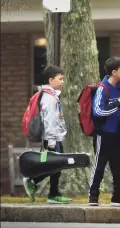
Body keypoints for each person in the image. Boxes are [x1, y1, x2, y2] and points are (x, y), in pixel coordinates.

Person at [88, 57, 120, 207]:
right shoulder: (103, 88)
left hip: (117, 133)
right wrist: (117, 103)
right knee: (99, 165)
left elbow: (117, 108)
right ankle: (93, 196)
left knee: (118, 165)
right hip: (104, 134)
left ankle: (118, 196)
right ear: (114, 72)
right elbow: (97, 111)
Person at [22, 65, 72, 204]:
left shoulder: (48, 95)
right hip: (52, 138)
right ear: (51, 80)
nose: (62, 82)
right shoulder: (49, 98)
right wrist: (51, 140)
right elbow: (49, 119)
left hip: (52, 137)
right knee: (56, 165)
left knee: (56, 165)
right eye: (60, 79)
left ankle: (53, 193)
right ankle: (34, 181)